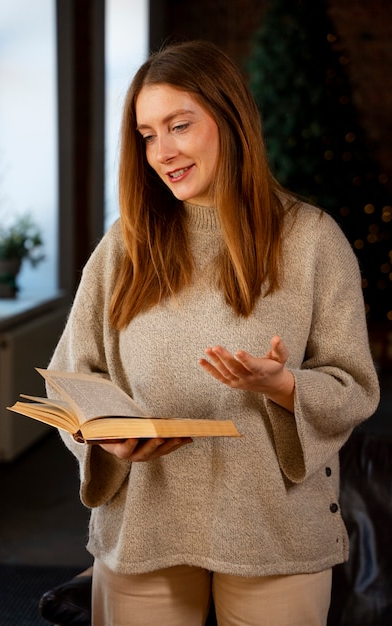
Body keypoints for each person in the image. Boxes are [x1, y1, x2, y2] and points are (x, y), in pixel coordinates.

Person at [48, 40, 380, 626]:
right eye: (148, 134)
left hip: (274, 535)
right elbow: (72, 375)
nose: (162, 151)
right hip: (145, 528)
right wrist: (103, 436)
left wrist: (286, 387)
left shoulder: (312, 240)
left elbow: (354, 386)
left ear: (231, 120)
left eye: (179, 126)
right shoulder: (124, 245)